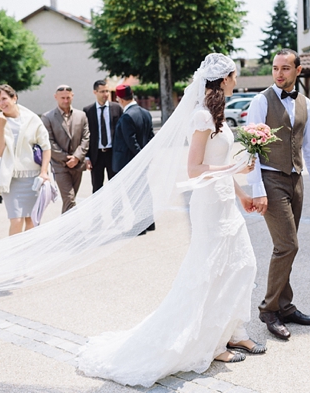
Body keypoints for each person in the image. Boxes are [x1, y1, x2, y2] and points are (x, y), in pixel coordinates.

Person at [78, 53, 265, 387]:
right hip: (208, 205)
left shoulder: (220, 116)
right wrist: (234, 169)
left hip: (226, 203)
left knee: (242, 266)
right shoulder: (201, 117)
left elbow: (218, 162)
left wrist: (243, 194)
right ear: (224, 80)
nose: (237, 81)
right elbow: (195, 169)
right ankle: (213, 343)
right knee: (211, 272)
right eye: (234, 76)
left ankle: (234, 331)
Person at [245, 48, 310, 341]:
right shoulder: (260, 101)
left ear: (298, 71)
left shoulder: (305, 103)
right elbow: (251, 149)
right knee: (287, 245)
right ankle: (269, 309)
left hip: (295, 181)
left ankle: (285, 306)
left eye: (285, 68)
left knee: (287, 246)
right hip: (270, 180)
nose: (279, 73)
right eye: (275, 68)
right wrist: (257, 190)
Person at [0, 84, 52, 236]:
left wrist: (43, 172)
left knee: (31, 220)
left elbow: (46, 147)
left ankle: (27, 254)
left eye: (4, 98)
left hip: (33, 178)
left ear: (14, 97)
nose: (2, 103)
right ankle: (15, 257)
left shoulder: (32, 119)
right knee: (16, 220)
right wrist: (1, 127)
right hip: (11, 179)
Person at [112, 84, 156, 233]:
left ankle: (139, 226)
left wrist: (139, 159)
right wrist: (147, 156)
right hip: (142, 160)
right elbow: (151, 137)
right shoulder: (145, 112)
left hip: (130, 162)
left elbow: (131, 142)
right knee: (144, 192)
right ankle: (149, 223)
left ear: (119, 99)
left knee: (134, 194)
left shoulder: (127, 116)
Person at [41, 84, 89, 213]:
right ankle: (73, 231)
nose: (65, 101)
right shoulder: (47, 117)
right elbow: (48, 141)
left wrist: (77, 157)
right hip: (60, 165)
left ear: (72, 96)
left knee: (70, 200)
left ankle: (66, 230)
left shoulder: (81, 115)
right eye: (62, 98)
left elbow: (86, 138)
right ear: (55, 97)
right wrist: (66, 158)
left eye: (68, 97)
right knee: (70, 199)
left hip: (78, 165)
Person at [84, 79, 121, 193]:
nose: (105, 94)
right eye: (102, 91)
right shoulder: (88, 111)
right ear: (95, 92)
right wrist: (87, 157)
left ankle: (117, 211)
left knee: (116, 187)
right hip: (96, 155)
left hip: (112, 154)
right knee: (97, 188)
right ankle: (98, 211)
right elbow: (85, 135)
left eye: (107, 91)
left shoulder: (116, 108)